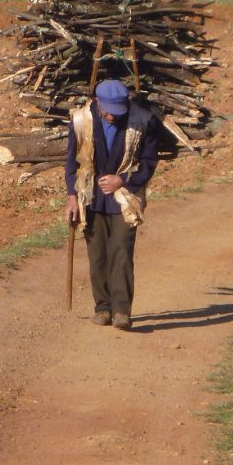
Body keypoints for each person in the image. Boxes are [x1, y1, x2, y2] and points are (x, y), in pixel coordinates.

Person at [64, 79, 161, 330]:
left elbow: (149, 162)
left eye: (116, 113)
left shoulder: (143, 121)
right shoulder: (80, 121)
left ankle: (121, 311)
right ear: (97, 103)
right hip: (90, 195)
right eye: (107, 111)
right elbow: (72, 163)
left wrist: (124, 180)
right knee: (97, 254)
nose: (111, 117)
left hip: (125, 198)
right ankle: (103, 307)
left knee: (121, 250)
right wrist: (72, 198)